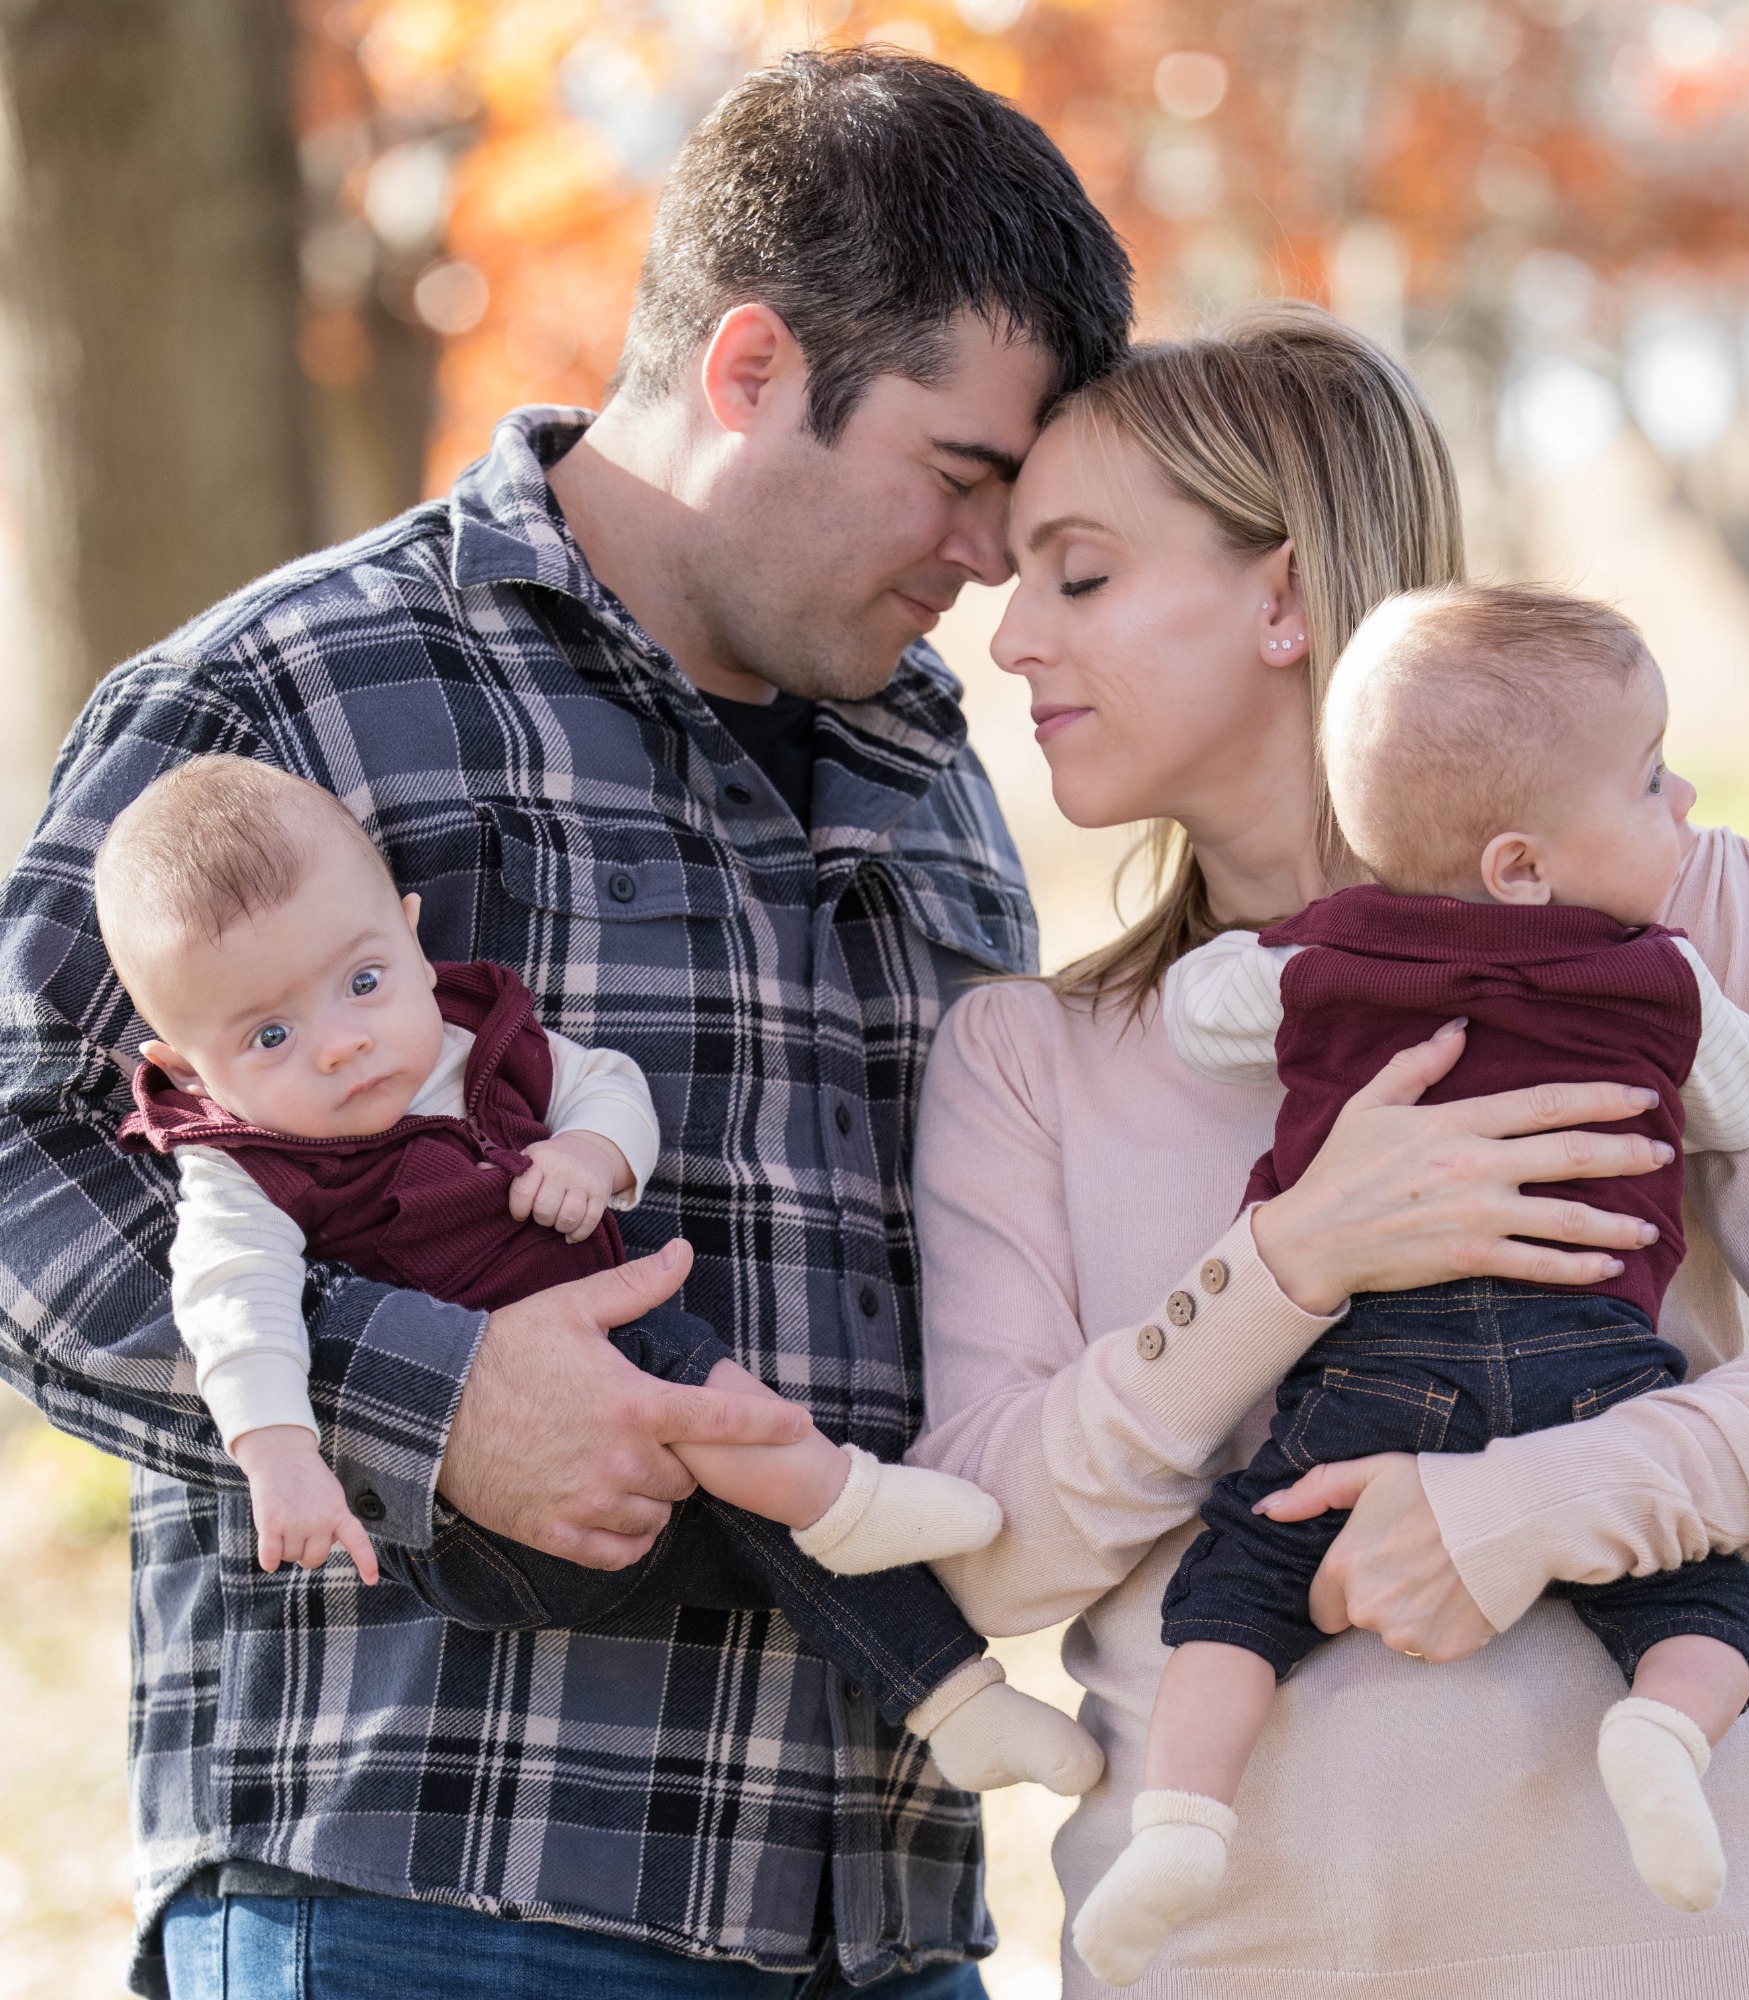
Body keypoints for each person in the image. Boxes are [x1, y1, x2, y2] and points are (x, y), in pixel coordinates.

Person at [0, 48, 1136, 2000]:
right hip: (429, 1901)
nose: (984, 555)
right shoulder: (299, 686)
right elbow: (21, 1149)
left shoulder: (935, 768)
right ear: (751, 366)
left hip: (884, 1915)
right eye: (959, 477)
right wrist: (431, 1396)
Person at [908, 301, 1749, 1999]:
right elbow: (990, 1552)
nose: (1011, 635)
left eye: (1082, 575)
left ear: (1282, 598)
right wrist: (1282, 1267)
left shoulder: (1665, 915)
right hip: (1214, 1966)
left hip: (1649, 1953)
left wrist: (1531, 1507)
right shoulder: (1027, 1057)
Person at [97, 753, 1101, 1798]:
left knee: (775, 1543)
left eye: (362, 982)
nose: (342, 1044)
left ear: (409, 935)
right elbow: (231, 1307)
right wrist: (280, 1455)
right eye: (270, 1035)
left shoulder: (471, 1042)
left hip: (625, 1477)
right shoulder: (244, 1168)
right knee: (678, 1368)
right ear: (186, 1068)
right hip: (484, 1529)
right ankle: (845, 1496)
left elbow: (607, 1085)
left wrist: (588, 1154)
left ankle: (955, 1699)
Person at [1072, 584, 1749, 1983]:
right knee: (1707, 1588)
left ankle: (1182, 1822)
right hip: (1594, 1362)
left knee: (1241, 1577)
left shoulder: (1326, 955)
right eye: (1650, 779)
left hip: (1373, 1366)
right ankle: (1662, 1730)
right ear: (1521, 865)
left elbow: (1202, 1019)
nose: (1685, 800)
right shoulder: (1663, 975)